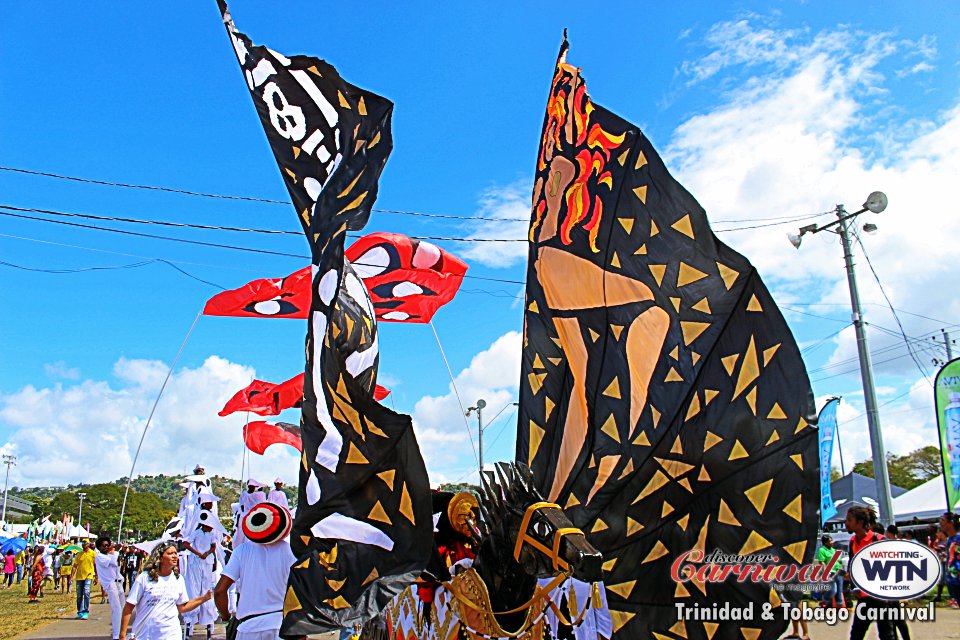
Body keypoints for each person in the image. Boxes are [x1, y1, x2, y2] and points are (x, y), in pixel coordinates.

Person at [214, 502, 295, 640]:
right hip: (281, 625)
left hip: (248, 627)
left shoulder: (242, 551)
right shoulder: (290, 551)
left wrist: (226, 616)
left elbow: (220, 591)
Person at [118, 541, 213, 640]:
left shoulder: (178, 579)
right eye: (170, 553)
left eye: (175, 553)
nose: (175, 556)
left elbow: (183, 607)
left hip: (172, 634)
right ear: (160, 558)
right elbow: (129, 607)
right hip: (146, 634)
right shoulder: (145, 578)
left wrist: (204, 598)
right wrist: (122, 635)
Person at [847, 506, 894, 640]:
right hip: (864, 596)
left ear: (860, 523)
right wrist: (854, 586)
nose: (847, 523)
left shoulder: (879, 540)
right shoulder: (853, 542)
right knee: (856, 635)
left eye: (850, 520)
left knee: (886, 634)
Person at [182, 510, 226, 637]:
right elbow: (186, 544)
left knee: (206, 590)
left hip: (206, 562)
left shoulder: (211, 534)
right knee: (194, 589)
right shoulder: (196, 532)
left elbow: (213, 547)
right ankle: (191, 618)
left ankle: (208, 618)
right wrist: (198, 553)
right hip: (196, 562)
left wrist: (207, 554)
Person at [96, 536, 126, 640]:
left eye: (108, 545)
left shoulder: (110, 555)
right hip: (110, 584)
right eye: (104, 546)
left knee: (123, 608)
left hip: (118, 583)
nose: (107, 547)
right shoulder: (100, 556)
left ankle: (122, 631)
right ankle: (116, 635)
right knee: (116, 609)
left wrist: (115, 551)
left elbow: (117, 566)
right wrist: (116, 550)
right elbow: (112, 562)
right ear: (99, 547)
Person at [815, 535, 844, 608]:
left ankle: (839, 609)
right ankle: (823, 602)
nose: (832, 542)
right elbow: (822, 562)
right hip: (830, 573)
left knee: (839, 592)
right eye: (830, 541)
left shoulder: (833, 550)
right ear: (825, 543)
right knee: (833, 591)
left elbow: (838, 561)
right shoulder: (822, 550)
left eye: (831, 540)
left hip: (838, 572)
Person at [72, 541, 97, 619]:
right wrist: (71, 576)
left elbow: (95, 565)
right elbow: (75, 566)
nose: (84, 545)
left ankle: (86, 611)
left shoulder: (93, 554)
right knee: (79, 595)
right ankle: (80, 611)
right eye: (83, 543)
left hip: (89, 575)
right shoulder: (79, 554)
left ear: (89, 544)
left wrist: (97, 576)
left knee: (86, 592)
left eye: (85, 543)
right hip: (79, 576)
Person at [941, 512, 960, 608]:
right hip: (953, 581)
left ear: (951, 522)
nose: (940, 523)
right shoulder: (949, 540)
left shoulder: (958, 538)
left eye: (943, 520)